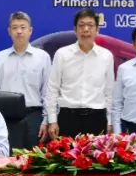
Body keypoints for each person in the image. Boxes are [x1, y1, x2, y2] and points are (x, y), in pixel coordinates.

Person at [45, 9, 114, 138]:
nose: (86, 29)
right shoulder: (62, 54)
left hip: (97, 119)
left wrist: (110, 121)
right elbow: (52, 89)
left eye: (90, 25)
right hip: (68, 118)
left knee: (96, 152)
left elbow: (109, 92)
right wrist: (52, 120)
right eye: (81, 25)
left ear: (97, 30)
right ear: (75, 30)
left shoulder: (106, 56)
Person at [0, 11, 52, 149]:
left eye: (23, 27)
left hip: (34, 116)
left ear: (30, 31)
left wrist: (46, 120)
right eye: (15, 28)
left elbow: (48, 92)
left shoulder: (42, 57)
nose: (19, 31)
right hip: (6, 118)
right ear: (9, 31)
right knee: (7, 157)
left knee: (33, 158)